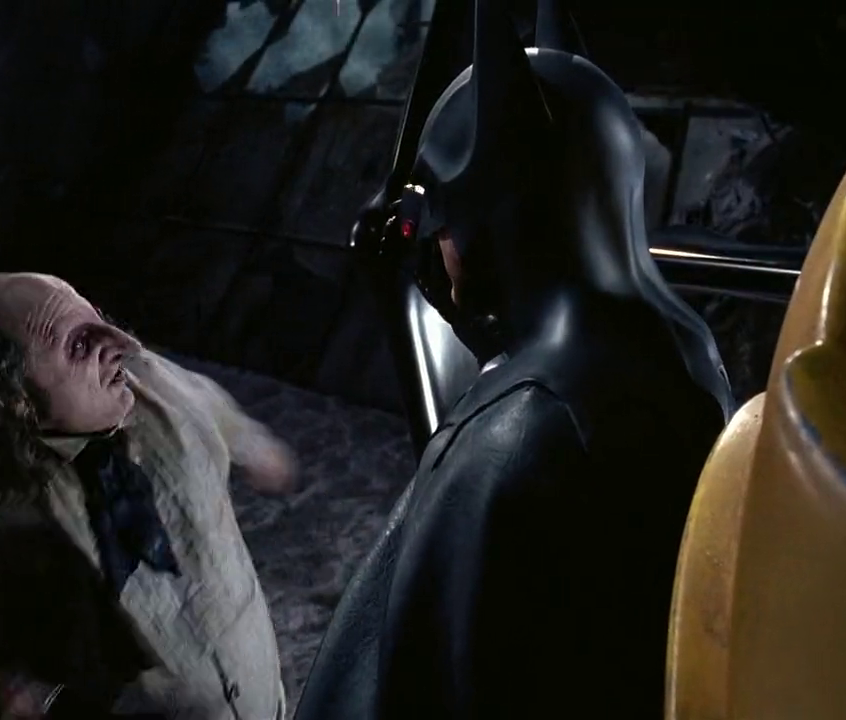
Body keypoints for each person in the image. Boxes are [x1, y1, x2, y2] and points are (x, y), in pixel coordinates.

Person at [293, 2, 733, 719]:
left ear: (489, 211)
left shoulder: (516, 438)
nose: (434, 241)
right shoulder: (683, 349)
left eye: (442, 221)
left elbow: (422, 672)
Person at [0, 272, 296, 719]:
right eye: (78, 345)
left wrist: (253, 444)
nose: (124, 344)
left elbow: (206, 402)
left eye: (98, 319)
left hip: (257, 692)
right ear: (11, 399)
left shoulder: (149, 381)